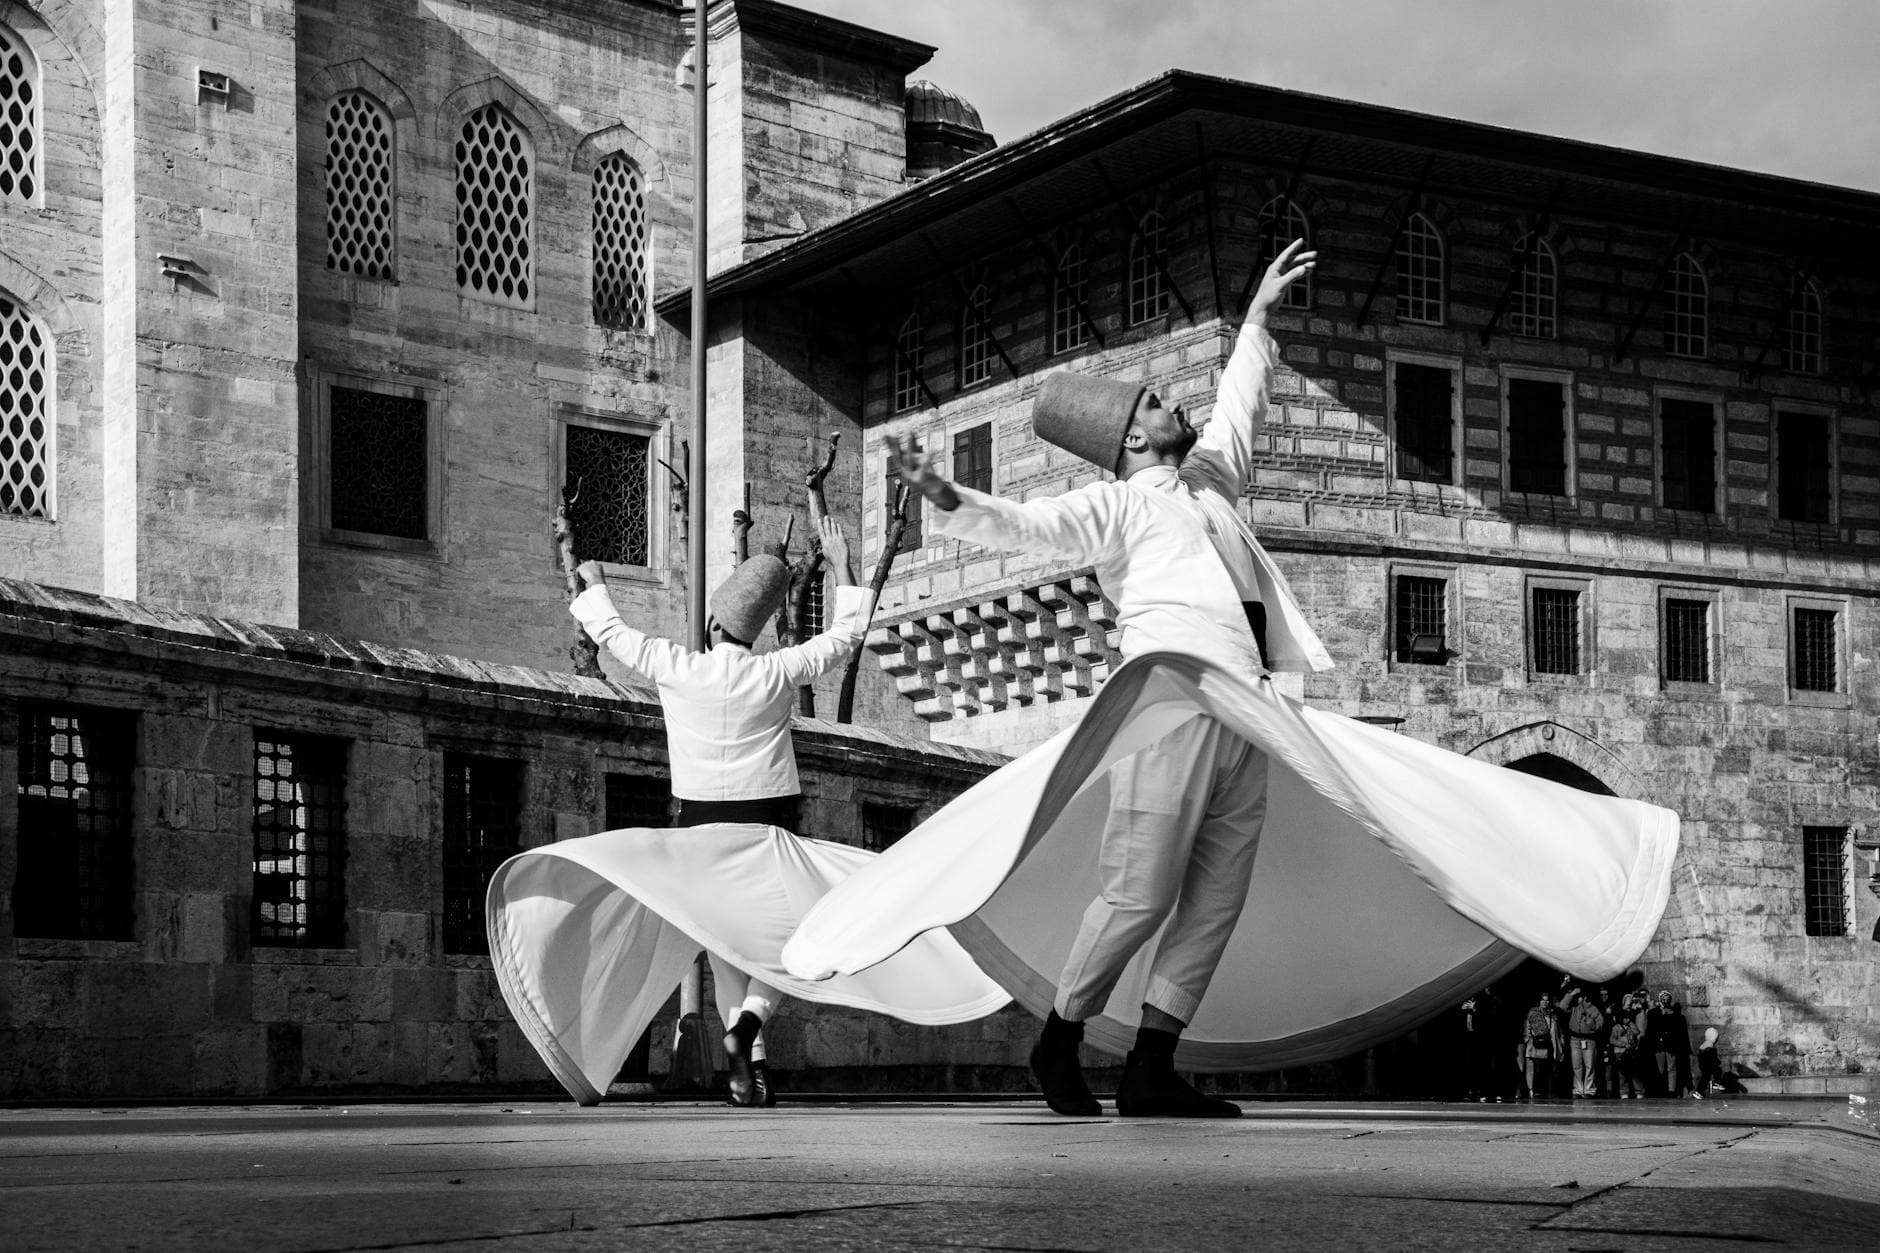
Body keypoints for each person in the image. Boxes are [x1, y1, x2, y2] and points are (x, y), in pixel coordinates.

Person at [883, 240, 1325, 1117]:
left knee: (1217, 894)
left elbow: (1236, 409)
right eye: (1160, 402)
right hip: (1170, 697)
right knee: (1139, 890)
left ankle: (1153, 1063)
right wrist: (945, 495)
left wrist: (1257, 323)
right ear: (1131, 434)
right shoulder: (1120, 504)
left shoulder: (1210, 485)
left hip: (1253, 705)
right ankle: (1060, 1038)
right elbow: (1030, 525)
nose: (1178, 405)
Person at [572, 516, 868, 1107]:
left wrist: (593, 579)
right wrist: (841, 566)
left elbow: (610, 630)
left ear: (711, 625)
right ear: (753, 633)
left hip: (699, 830)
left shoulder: (676, 666)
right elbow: (844, 638)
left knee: (730, 941)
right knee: (793, 941)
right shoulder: (775, 670)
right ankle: (748, 1036)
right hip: (768, 828)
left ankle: (750, 1071)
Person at [1560, 979, 1606, 1098]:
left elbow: (1599, 1025)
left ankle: (1589, 1089)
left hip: (1589, 1039)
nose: (1582, 999)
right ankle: (1578, 1089)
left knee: (1589, 1065)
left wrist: (1591, 1023)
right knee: (1576, 1065)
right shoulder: (1575, 1007)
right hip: (1575, 1039)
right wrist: (1572, 994)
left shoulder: (1594, 1009)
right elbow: (1562, 1006)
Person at [1521, 991, 1562, 1101]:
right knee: (1538, 1070)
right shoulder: (1533, 1012)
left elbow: (1558, 1030)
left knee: (1550, 1070)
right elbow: (1527, 1027)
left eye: (1547, 1000)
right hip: (1537, 1045)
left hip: (1550, 1044)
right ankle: (1537, 1091)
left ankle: (1549, 1092)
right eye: (1543, 1000)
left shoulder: (1553, 1014)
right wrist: (1529, 1040)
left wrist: (1561, 1043)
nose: (1545, 1002)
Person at [1608, 999, 1645, 1098]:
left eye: (1628, 1018)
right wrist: (1623, 1044)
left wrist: (1631, 1024)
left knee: (1634, 1072)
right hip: (1620, 1052)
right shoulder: (1616, 1028)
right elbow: (1612, 1040)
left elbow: (1637, 1032)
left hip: (1631, 1052)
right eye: (1625, 1018)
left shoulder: (1630, 1026)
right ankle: (1624, 1091)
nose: (1627, 1019)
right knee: (1622, 1073)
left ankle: (1639, 1091)